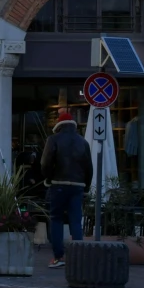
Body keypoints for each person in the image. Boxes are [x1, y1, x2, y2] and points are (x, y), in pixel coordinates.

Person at [41, 105, 93, 267]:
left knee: (56, 219)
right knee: (75, 220)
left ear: (59, 126)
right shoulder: (83, 142)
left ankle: (59, 257)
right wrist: (86, 187)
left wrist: (48, 179)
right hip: (78, 185)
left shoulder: (53, 139)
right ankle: (78, 257)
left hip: (58, 184)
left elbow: (45, 163)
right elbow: (89, 168)